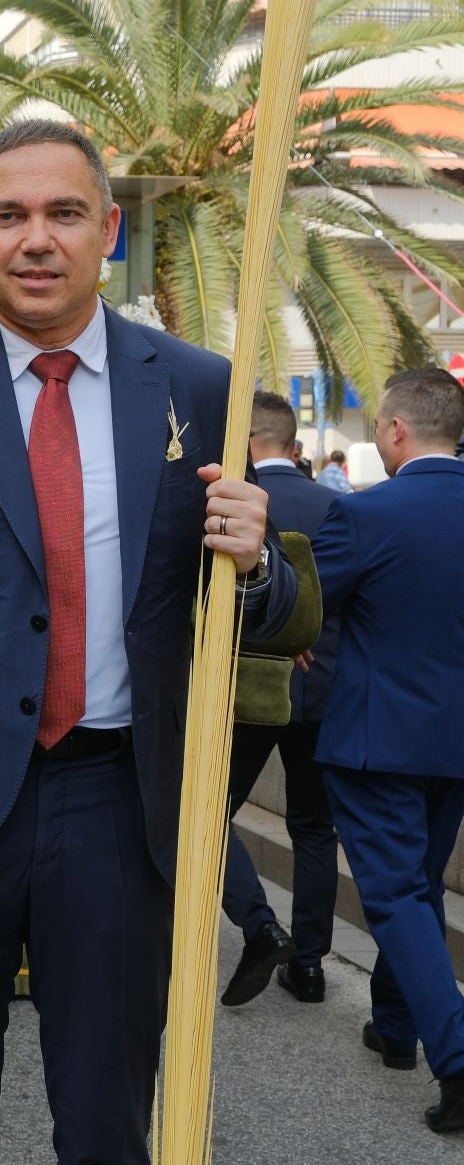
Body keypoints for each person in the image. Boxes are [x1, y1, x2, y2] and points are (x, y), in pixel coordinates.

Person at [0, 120, 296, 1164]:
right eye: (10, 215)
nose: (37, 238)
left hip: (119, 812)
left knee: (106, 1127)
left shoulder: (197, 385)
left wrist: (257, 562)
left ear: (109, 230)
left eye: (64, 213)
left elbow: (271, 612)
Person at [308, 367, 464, 1132]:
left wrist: (298, 635)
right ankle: (395, 1027)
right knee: (421, 884)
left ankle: (459, 1057)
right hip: (454, 740)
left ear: (397, 429)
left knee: (398, 894)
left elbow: (303, 605)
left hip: (378, 738)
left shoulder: (367, 513)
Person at [218, 391, 342, 1008]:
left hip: (247, 690)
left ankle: (260, 924)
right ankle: (312, 967)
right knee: (315, 829)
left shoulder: (224, 504)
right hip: (323, 693)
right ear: (295, 446)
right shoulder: (337, 504)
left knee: (209, 816)